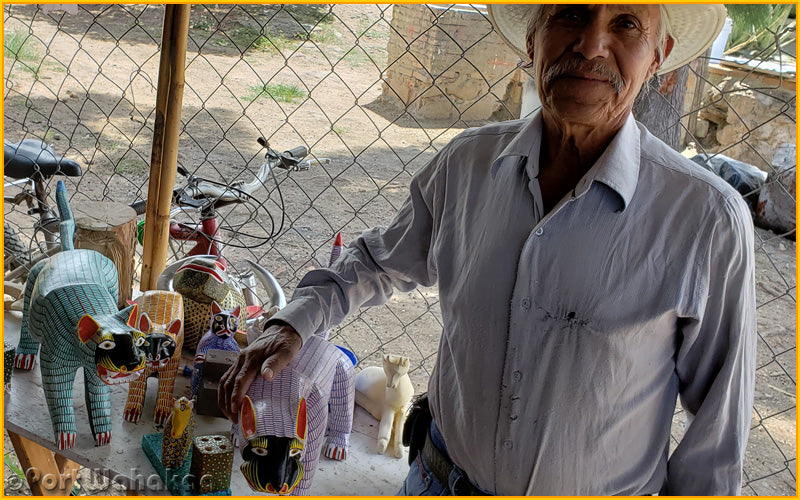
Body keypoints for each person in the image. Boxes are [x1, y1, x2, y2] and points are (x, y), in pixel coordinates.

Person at [219, 4, 756, 496]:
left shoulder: (705, 220)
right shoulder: (468, 166)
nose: (591, 45)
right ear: (532, 38)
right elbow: (378, 261)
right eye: (570, 14)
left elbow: (716, 436)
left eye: (626, 24)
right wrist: (293, 322)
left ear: (658, 56)